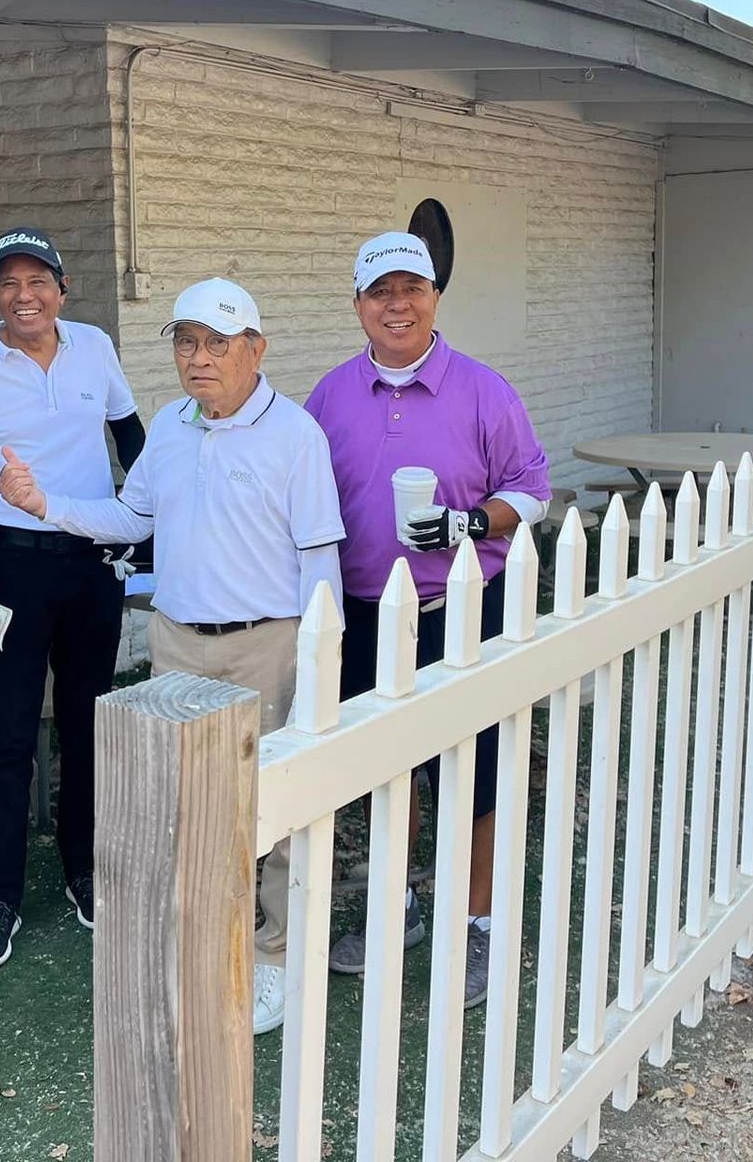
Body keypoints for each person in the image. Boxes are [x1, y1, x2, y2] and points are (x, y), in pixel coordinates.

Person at [0, 278, 346, 1036]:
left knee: (272, 809)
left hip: (267, 642)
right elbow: (133, 516)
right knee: (183, 804)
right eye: (187, 342)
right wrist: (45, 507)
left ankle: (276, 953)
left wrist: (323, 658)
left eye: (218, 343)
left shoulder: (296, 435)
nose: (199, 358)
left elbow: (320, 557)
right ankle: (203, 937)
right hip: (178, 641)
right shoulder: (170, 425)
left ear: (256, 349)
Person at [303, 231, 550, 1009]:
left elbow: (533, 490)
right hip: (364, 613)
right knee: (385, 770)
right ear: (357, 305)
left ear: (435, 296)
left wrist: (468, 523)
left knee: (473, 775)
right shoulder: (330, 396)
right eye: (380, 292)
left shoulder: (484, 390)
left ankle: (477, 923)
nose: (397, 305)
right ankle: (398, 906)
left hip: (463, 609)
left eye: (412, 288)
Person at [0, 226, 145, 969]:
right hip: (11, 569)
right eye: (9, 284)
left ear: (62, 289)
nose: (25, 297)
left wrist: (150, 520)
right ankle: (2, 894)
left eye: (38, 282)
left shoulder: (94, 347)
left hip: (90, 559)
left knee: (89, 724)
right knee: (11, 734)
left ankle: (83, 870)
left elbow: (131, 438)